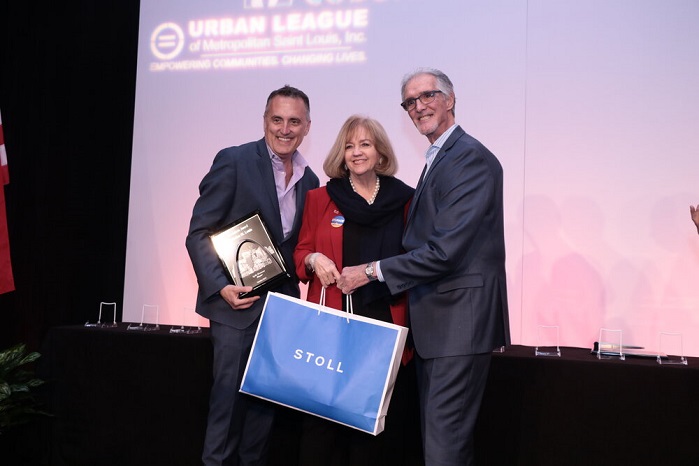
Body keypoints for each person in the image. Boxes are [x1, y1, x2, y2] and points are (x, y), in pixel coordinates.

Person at [337, 68, 511, 466]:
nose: (419, 106)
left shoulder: (470, 160)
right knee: (442, 447)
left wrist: (370, 271)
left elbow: (444, 251)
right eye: (410, 102)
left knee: (444, 449)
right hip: (439, 329)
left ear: (450, 99)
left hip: (457, 329)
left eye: (428, 96)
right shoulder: (440, 157)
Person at [185, 85, 319, 466]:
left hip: (280, 312)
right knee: (226, 411)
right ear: (265, 120)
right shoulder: (235, 160)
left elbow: (294, 247)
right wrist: (221, 286)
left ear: (307, 126)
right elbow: (198, 233)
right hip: (235, 308)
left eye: (294, 121)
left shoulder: (310, 181)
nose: (284, 129)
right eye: (277, 119)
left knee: (263, 414)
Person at [293, 115, 418, 465]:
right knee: (320, 424)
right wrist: (315, 258)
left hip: (383, 322)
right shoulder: (320, 198)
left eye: (364, 144)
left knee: (369, 428)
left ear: (380, 152)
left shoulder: (406, 200)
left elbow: (415, 261)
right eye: (349, 146)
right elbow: (300, 252)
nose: (356, 152)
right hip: (331, 324)